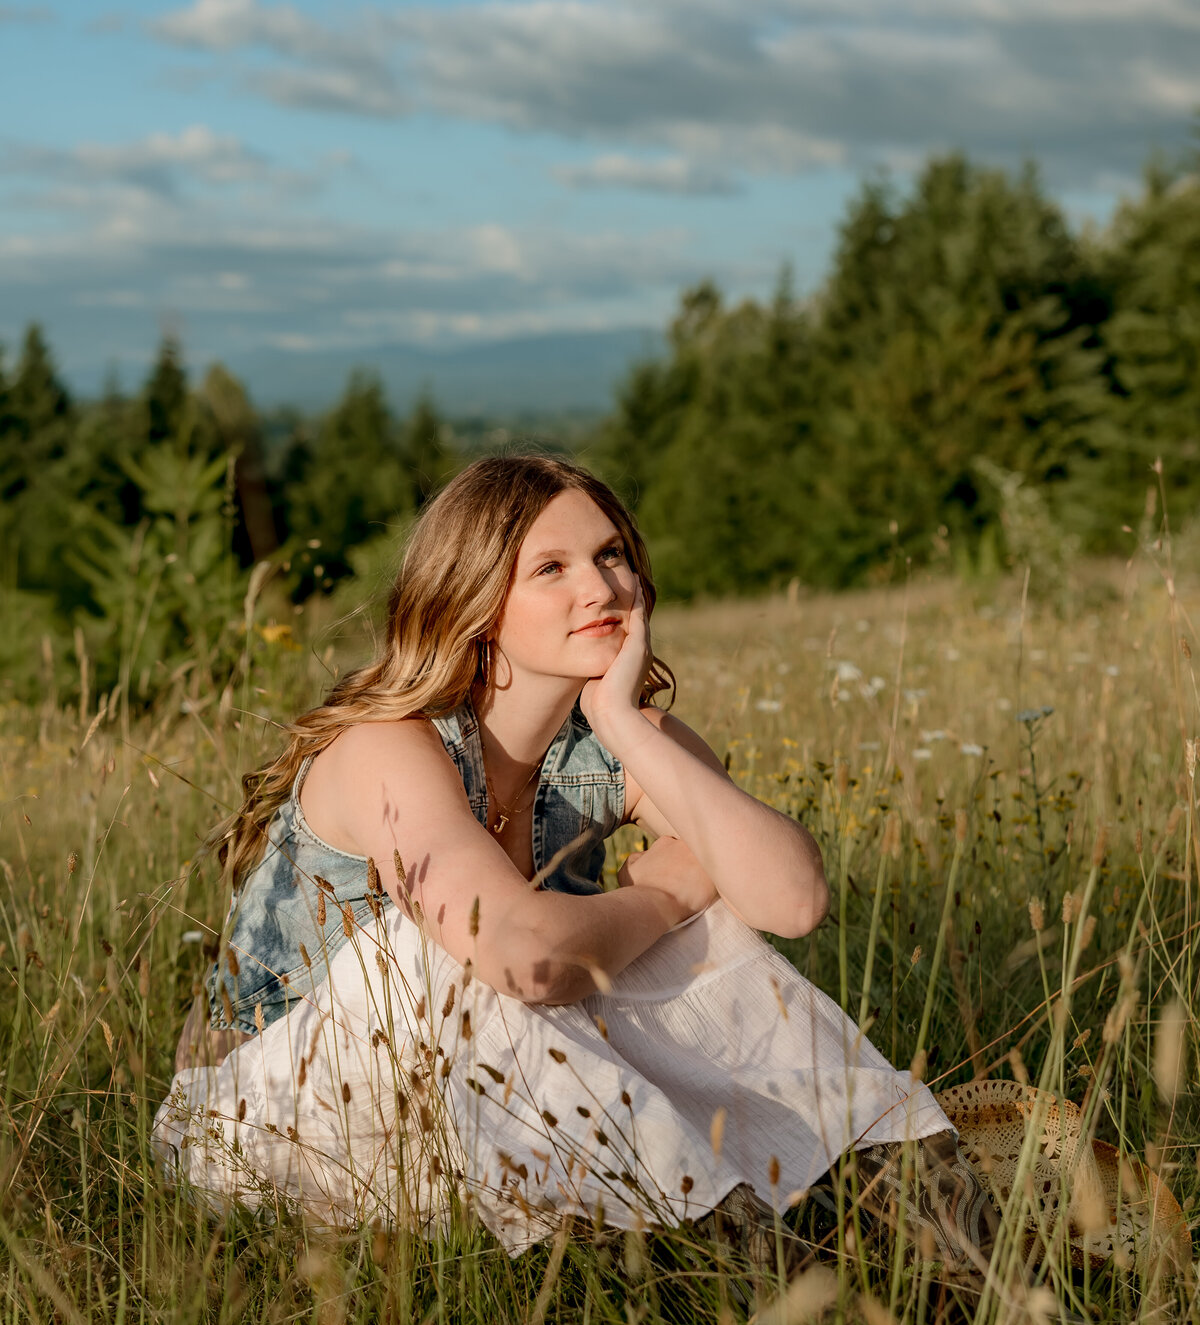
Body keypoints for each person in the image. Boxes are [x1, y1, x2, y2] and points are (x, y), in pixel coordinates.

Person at [154, 454, 998, 1276]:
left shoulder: (609, 743)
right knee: (454, 956)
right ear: (475, 601)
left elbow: (792, 897)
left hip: (449, 1107)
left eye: (612, 555)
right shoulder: (389, 746)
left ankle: (922, 1220)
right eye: (550, 568)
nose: (599, 588)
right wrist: (664, 894)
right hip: (266, 1120)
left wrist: (628, 726)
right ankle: (736, 1266)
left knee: (713, 924)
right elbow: (524, 957)